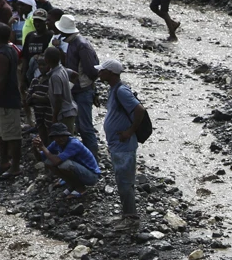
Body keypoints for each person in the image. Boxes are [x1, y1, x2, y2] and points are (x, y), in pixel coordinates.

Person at [98, 59, 147, 231]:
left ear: (111, 73)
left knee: (125, 182)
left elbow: (139, 110)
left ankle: (131, 219)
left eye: (102, 70)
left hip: (124, 145)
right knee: (122, 181)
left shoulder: (121, 91)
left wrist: (129, 131)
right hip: (118, 145)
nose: (99, 73)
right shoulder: (114, 90)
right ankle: (127, 215)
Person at [53, 14, 101, 158]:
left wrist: (91, 88)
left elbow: (92, 70)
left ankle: (92, 157)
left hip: (83, 90)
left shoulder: (81, 45)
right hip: (76, 89)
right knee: (80, 125)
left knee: (85, 127)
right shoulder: (73, 43)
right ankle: (87, 155)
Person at [0, 23, 23, 179]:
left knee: (13, 135)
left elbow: (2, 80)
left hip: (7, 100)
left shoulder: (2, 54)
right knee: (1, 132)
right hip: (3, 100)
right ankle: (4, 162)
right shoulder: (8, 50)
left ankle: (15, 166)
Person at [33, 121, 101, 197]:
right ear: (54, 137)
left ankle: (81, 189)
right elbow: (41, 157)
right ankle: (72, 185)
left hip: (91, 176)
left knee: (64, 165)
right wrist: (36, 147)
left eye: (63, 136)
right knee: (48, 162)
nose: (61, 139)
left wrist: (43, 147)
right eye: (57, 137)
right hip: (80, 172)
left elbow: (56, 161)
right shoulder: (55, 143)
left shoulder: (73, 143)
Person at [44, 46, 78, 135]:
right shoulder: (62, 69)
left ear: (47, 60)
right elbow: (75, 74)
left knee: (65, 140)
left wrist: (54, 117)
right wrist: (68, 88)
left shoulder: (55, 76)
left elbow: (58, 99)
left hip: (64, 113)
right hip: (70, 109)